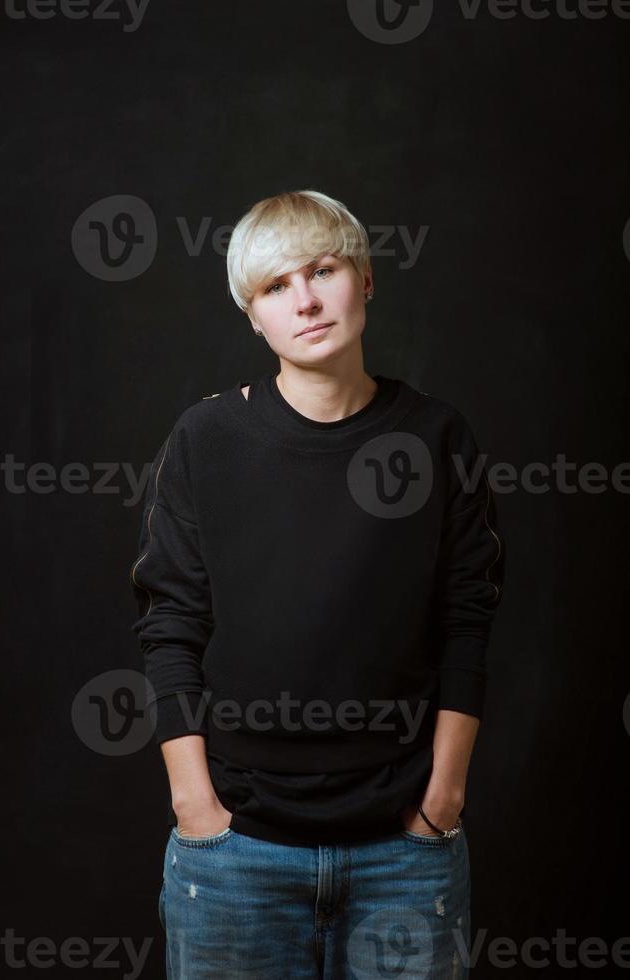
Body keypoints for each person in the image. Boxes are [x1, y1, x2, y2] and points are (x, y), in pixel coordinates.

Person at [130, 189, 506, 978]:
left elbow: (466, 620)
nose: (303, 300)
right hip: (235, 855)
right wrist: (195, 807)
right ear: (252, 315)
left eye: (322, 270)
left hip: (404, 852)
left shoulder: (435, 438)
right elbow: (170, 623)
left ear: (364, 280)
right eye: (274, 287)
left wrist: (441, 799)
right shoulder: (208, 439)